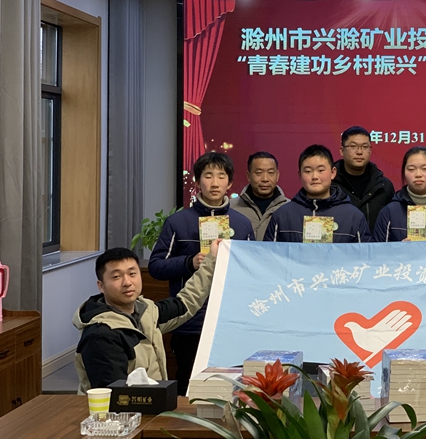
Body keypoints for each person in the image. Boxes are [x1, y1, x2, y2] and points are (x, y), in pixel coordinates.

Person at [148, 152, 255, 395]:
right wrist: (189, 262)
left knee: (232, 386)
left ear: (230, 183)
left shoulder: (242, 224)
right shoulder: (178, 222)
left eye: (221, 176)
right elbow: (156, 266)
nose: (214, 183)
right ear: (198, 181)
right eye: (208, 176)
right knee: (188, 384)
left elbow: (251, 272)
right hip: (189, 321)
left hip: (229, 321)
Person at [73, 239, 222, 394]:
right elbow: (114, 396)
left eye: (132, 274)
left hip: (154, 405)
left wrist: (211, 259)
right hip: (130, 409)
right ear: (101, 286)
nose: (127, 282)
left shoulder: (146, 312)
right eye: (116, 277)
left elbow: (186, 302)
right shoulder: (100, 335)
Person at [264, 144, 371, 243]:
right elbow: (268, 254)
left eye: (321, 170)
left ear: (333, 173)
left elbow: (365, 255)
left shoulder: (353, 216)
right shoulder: (282, 215)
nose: (315, 177)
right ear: (299, 175)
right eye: (308, 171)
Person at [332, 126, 395, 232]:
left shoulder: (384, 186)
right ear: (342, 150)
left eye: (365, 147)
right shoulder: (329, 184)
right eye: (353, 146)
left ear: (370, 150)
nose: (359, 152)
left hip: (376, 243)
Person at [231, 151, 288, 241]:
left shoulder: (288, 209)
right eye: (258, 173)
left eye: (270, 173)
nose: (265, 179)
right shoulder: (231, 208)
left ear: (277, 175)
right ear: (248, 176)